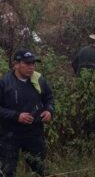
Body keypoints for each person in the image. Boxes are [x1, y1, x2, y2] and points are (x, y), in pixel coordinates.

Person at [0, 49, 54, 177]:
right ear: (16, 64)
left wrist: (49, 110)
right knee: (6, 171)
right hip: (10, 134)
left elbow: (49, 98)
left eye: (33, 64)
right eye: (27, 64)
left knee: (41, 169)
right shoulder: (4, 83)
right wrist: (16, 116)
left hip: (34, 133)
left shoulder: (39, 79)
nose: (31, 67)